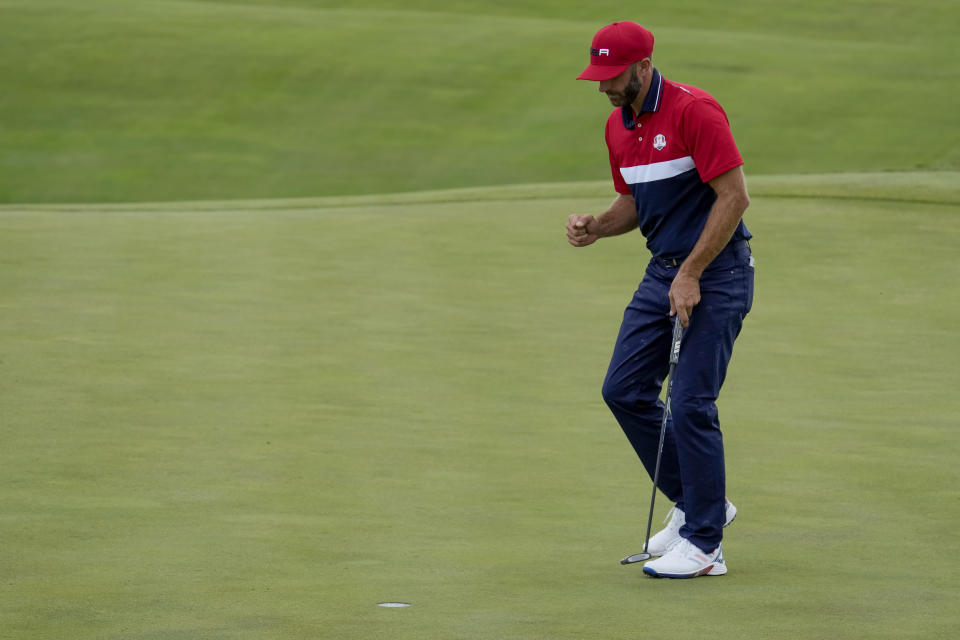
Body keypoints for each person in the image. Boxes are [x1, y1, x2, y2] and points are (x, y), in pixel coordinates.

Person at [566, 21, 754, 579]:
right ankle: (704, 504)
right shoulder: (617, 126)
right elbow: (634, 200)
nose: (604, 86)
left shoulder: (695, 111)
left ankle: (705, 546)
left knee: (692, 402)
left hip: (717, 274)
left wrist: (692, 273)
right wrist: (599, 225)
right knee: (622, 389)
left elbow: (734, 196)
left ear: (644, 66)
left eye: (613, 75)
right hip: (663, 273)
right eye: (598, 76)